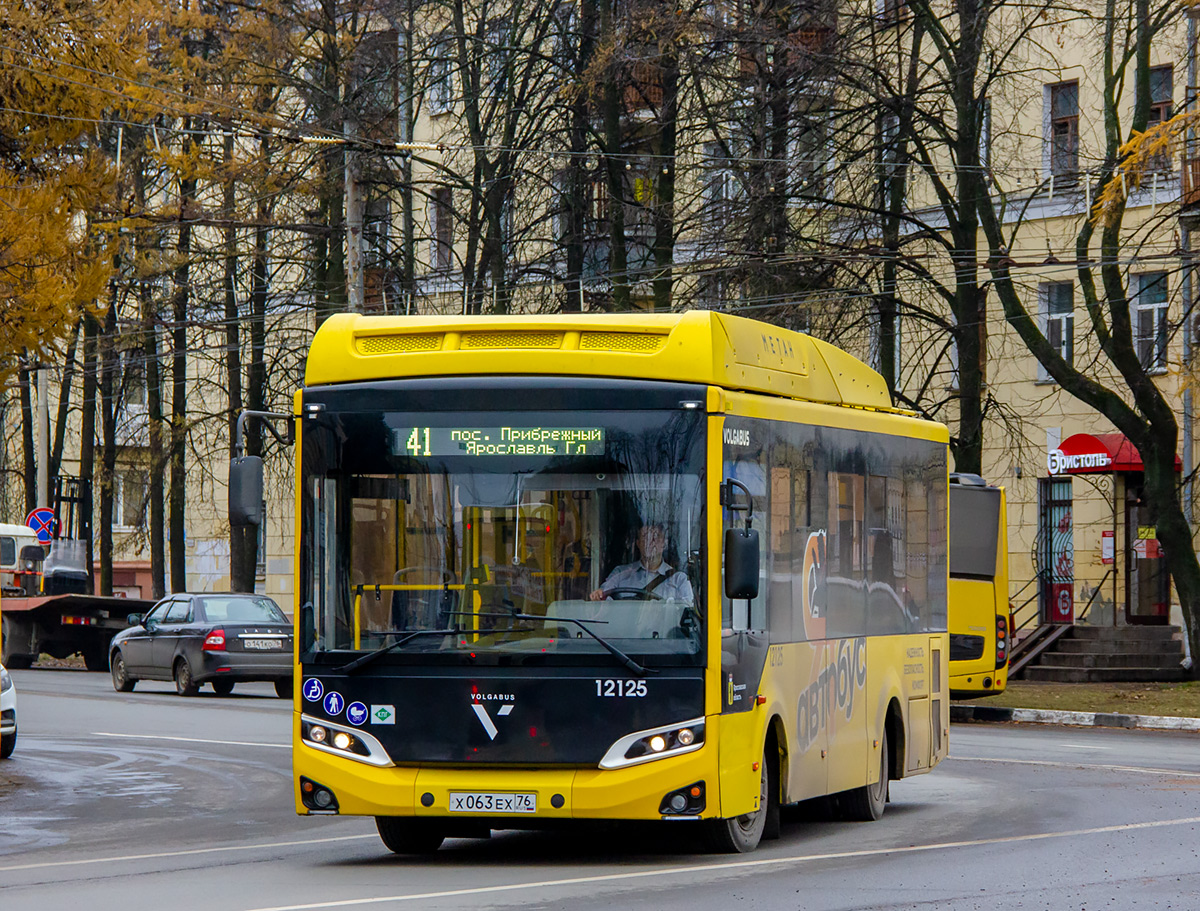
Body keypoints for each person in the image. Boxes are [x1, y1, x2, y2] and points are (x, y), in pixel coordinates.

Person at [589, 523, 694, 602]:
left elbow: (686, 611)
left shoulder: (679, 579)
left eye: (655, 536)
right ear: (638, 544)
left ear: (664, 544)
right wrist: (598, 595)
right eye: (645, 536)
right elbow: (601, 597)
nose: (650, 542)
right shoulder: (620, 573)